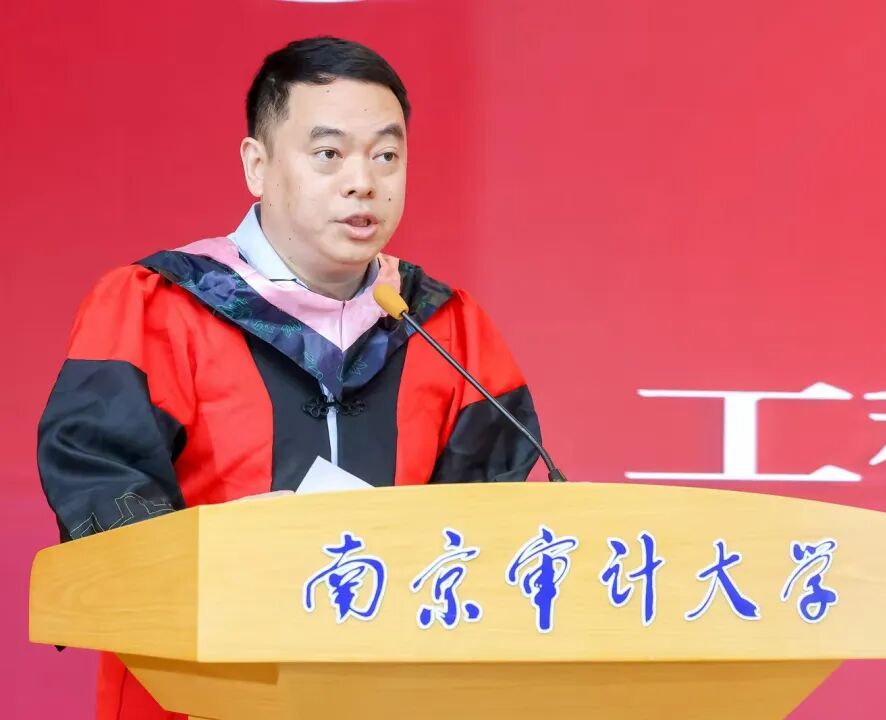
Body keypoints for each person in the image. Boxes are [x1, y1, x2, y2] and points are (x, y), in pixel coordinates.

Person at [37, 36, 542, 720]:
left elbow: (495, 536)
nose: (363, 182)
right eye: (329, 154)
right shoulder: (157, 308)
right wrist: (224, 554)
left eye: (386, 156)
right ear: (258, 165)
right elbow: (100, 492)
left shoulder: (448, 329)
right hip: (194, 698)